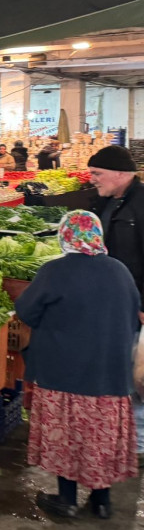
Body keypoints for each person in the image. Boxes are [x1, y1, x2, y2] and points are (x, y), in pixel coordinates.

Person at [16, 210, 139, 519]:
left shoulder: (55, 271)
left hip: (63, 374)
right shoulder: (120, 271)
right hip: (109, 375)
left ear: (65, 235)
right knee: (99, 437)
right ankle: (101, 502)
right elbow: (132, 316)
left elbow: (27, 311)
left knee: (66, 435)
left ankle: (67, 500)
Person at [87, 145, 144, 465]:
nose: (92, 179)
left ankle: (138, 441)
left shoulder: (141, 204)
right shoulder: (108, 200)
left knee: (139, 372)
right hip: (113, 300)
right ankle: (116, 433)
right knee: (121, 366)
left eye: (98, 173)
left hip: (135, 302)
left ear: (121, 174)